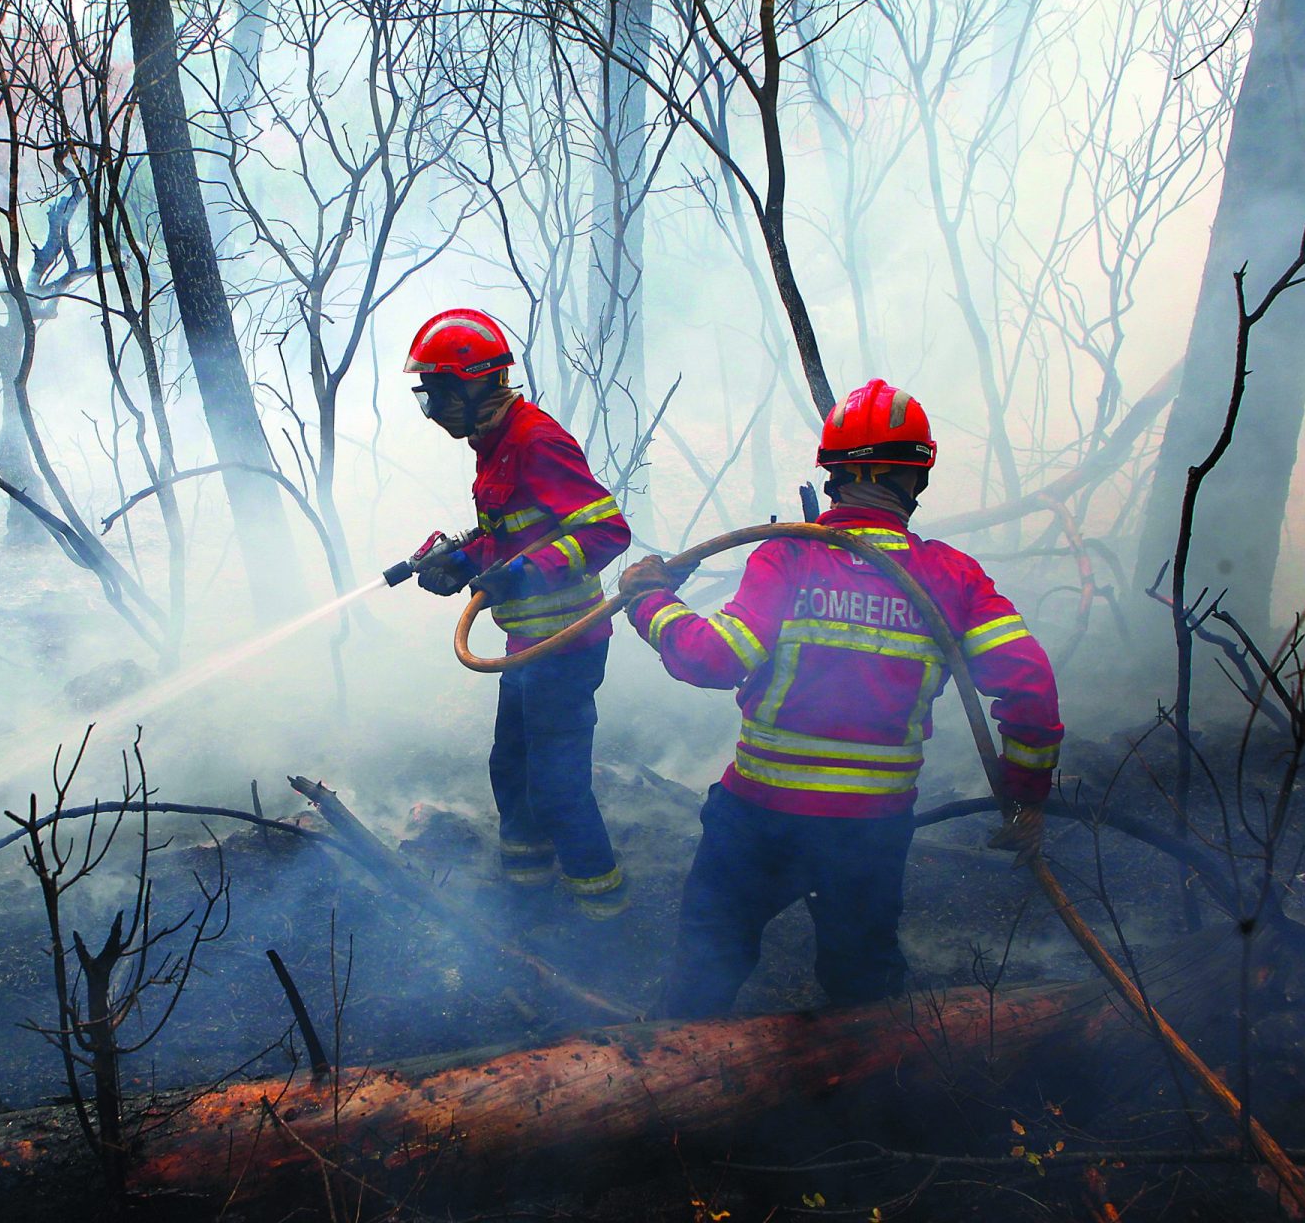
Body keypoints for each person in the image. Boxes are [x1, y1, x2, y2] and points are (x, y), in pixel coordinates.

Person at [616, 379, 1062, 1015]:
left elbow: (713, 659)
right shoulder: (952, 576)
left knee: (705, 966)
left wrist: (650, 601)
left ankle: (671, 1083)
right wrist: (1026, 801)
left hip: (759, 817)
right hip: (870, 828)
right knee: (864, 988)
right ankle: (870, 1094)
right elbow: (1030, 686)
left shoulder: (791, 557)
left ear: (832, 473)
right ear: (917, 476)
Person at [405, 308, 633, 920]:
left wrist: (523, 574)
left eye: (439, 392)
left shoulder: (535, 440)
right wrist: (463, 564)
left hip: (567, 642)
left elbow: (607, 532)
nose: (435, 409)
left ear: (477, 382)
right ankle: (527, 890)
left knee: (558, 782)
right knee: (511, 766)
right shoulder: (494, 445)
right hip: (527, 646)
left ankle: (602, 909)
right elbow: (512, 538)